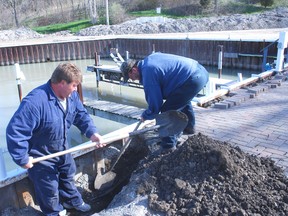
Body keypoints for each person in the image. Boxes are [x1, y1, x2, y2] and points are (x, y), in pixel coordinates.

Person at [6, 62, 106, 216]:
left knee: (68, 175)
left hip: (62, 148)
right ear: (62, 83)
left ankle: (72, 202)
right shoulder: (35, 103)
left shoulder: (71, 98)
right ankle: (54, 212)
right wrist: (22, 158)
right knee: (49, 188)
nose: (75, 89)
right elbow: (15, 131)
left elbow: (81, 115)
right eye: (74, 85)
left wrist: (93, 133)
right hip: (42, 155)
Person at [120, 52, 209, 153]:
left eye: (130, 77)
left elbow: (155, 103)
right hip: (200, 71)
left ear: (134, 70)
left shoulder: (148, 73)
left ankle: (168, 146)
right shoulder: (149, 60)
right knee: (181, 100)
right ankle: (189, 127)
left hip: (193, 78)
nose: (132, 79)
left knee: (167, 110)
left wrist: (147, 114)